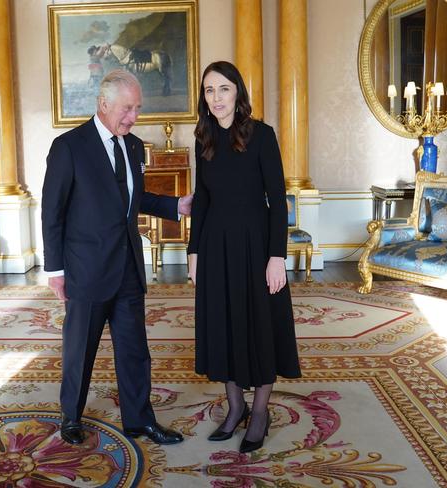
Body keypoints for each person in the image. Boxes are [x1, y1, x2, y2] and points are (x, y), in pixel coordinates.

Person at [42, 69, 192, 446]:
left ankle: (140, 420)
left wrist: (176, 205)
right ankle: (71, 417)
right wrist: (55, 270)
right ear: (104, 104)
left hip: (127, 267)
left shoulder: (135, 146)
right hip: (86, 269)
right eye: (128, 108)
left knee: (134, 350)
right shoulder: (69, 147)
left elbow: (133, 198)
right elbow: (52, 213)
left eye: (138, 108)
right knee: (80, 350)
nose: (133, 117)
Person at [187, 61, 301, 454]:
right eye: (208, 90)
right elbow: (201, 199)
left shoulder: (262, 136)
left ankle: (259, 414)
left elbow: (278, 203)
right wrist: (194, 250)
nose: (215, 98)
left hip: (256, 245)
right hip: (216, 245)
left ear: (238, 91)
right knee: (223, 325)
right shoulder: (202, 137)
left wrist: (276, 257)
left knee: (261, 325)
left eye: (223, 89)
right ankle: (235, 407)